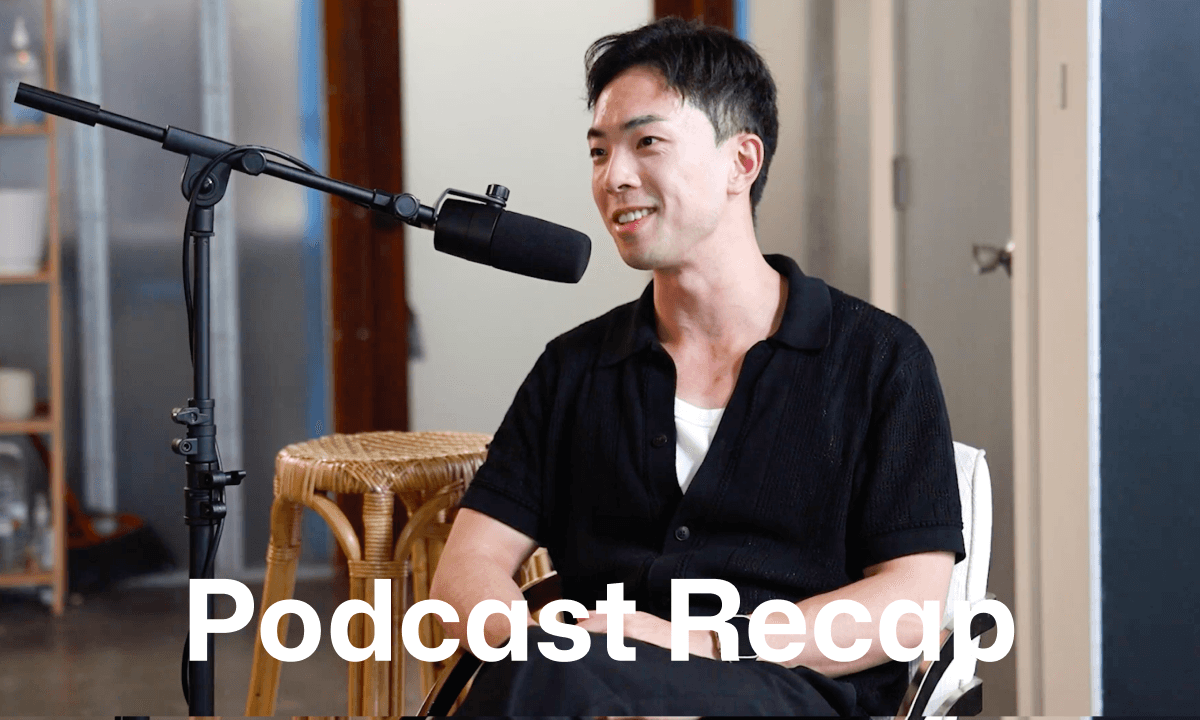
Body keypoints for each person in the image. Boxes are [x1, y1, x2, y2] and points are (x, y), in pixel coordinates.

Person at [429, 17, 964, 717]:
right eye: (598, 152)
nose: (614, 177)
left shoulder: (879, 360)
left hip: (784, 692)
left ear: (742, 161)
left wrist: (700, 642)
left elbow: (911, 604)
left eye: (646, 142)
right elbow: (466, 571)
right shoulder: (574, 369)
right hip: (581, 685)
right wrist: (538, 643)